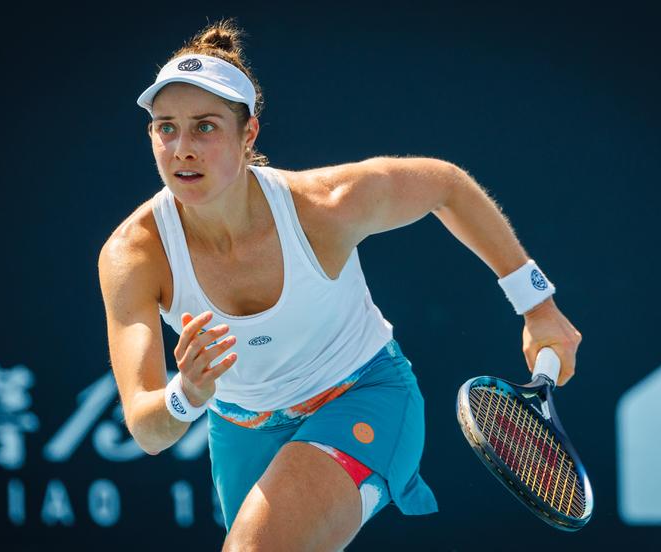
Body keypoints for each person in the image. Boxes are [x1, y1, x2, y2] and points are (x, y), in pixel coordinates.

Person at [97, 17, 582, 552]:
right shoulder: (133, 254)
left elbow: (446, 187)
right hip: (240, 430)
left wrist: (537, 305)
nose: (182, 147)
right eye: (166, 127)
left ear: (248, 132)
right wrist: (186, 396)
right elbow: (148, 429)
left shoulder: (322, 207)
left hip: (364, 396)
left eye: (205, 126)